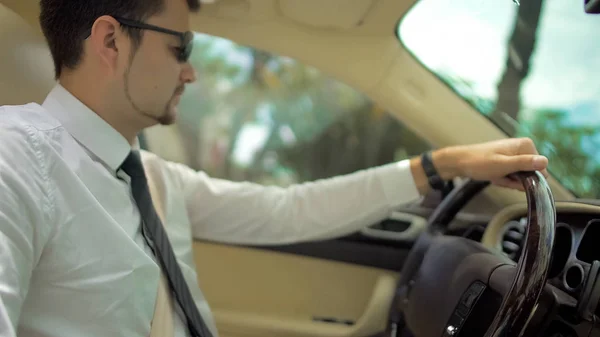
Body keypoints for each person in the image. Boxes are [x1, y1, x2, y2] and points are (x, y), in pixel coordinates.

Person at [0, 0, 549, 336]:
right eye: (181, 47)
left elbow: (288, 211)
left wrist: (442, 164)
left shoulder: (150, 176)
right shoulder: (15, 158)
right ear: (111, 40)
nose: (190, 73)